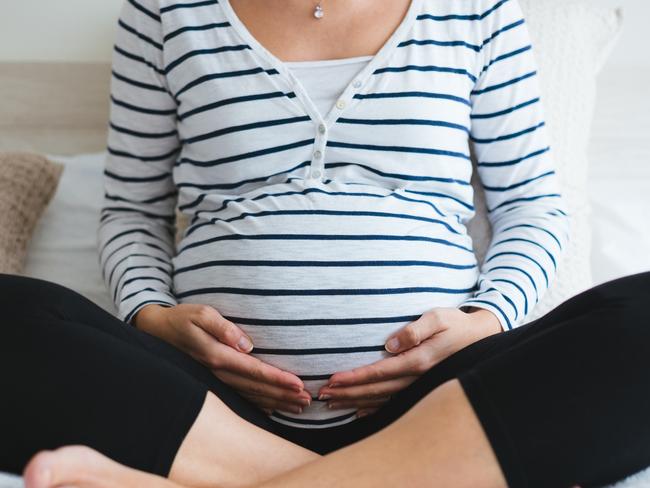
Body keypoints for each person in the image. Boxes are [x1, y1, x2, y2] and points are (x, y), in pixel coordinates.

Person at [3, 0, 649, 487]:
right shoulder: (165, 9)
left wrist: (486, 319)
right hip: (208, 407)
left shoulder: (477, 7)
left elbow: (532, 206)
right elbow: (131, 211)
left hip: (437, 400)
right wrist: (152, 314)